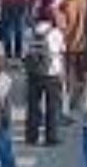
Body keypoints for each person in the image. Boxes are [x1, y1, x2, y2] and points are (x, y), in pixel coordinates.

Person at [24, 15, 66, 146]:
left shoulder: (29, 32)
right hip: (52, 73)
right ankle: (51, 137)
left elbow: (24, 53)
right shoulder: (56, 33)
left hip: (33, 73)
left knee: (33, 106)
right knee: (52, 107)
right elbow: (62, 50)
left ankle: (32, 137)